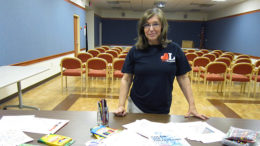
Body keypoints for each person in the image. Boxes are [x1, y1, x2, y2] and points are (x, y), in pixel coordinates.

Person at [114, 8, 208, 120]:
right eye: (147, 25)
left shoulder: (174, 49)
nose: (151, 29)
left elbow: (183, 78)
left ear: (162, 27)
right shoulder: (135, 51)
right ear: (143, 28)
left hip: (163, 109)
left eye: (155, 24)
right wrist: (121, 105)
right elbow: (126, 79)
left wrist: (192, 106)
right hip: (137, 107)